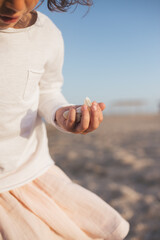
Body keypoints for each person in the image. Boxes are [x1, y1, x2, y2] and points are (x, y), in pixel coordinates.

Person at [0, 0, 129, 239]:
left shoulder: (46, 35)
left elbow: (47, 91)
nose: (17, 5)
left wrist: (62, 113)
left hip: (26, 173)